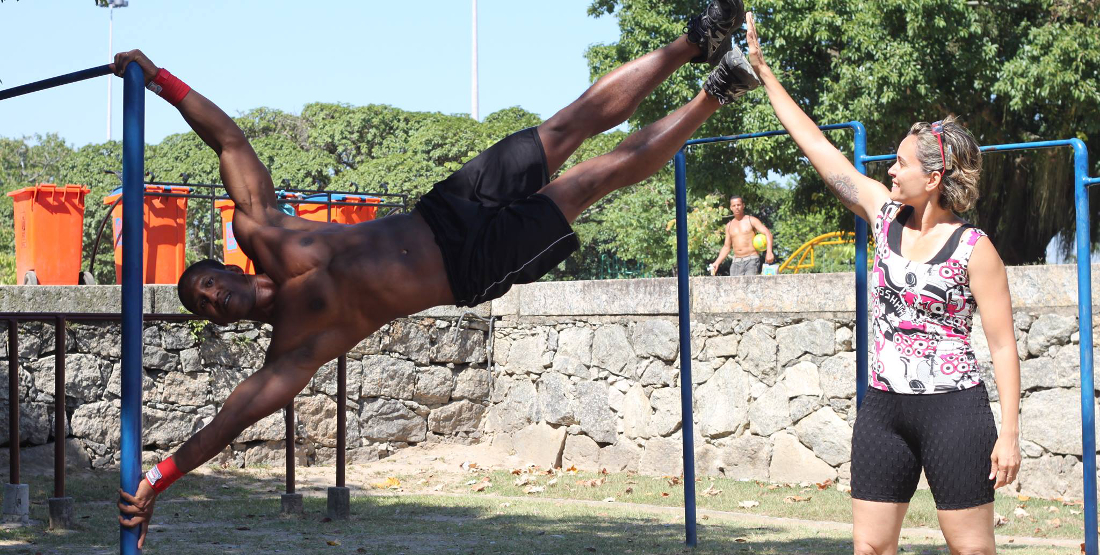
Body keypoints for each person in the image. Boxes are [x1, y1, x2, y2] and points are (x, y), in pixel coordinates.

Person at [114, 1, 760, 547]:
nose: (214, 297)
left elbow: (228, 140)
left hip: (446, 207)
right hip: (470, 265)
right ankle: (719, 88)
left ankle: (695, 41)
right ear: (220, 322)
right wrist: (156, 480)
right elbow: (229, 422)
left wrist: (159, 78)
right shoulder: (294, 347)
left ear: (226, 266)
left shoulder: (263, 228)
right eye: (206, 306)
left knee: (564, 126)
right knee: (595, 176)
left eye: (208, 284)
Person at [744, 12, 1020, 555]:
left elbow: (1004, 347)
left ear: (934, 177)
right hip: (883, 410)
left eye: (900, 164)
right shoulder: (882, 215)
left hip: (955, 411)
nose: (890, 171)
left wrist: (1008, 433)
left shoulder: (975, 249)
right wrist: (764, 72)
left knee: (972, 550)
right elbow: (820, 151)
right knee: (869, 549)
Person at [708, 195, 774, 275]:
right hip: (736, 262)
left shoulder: (751, 220)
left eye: (738, 205)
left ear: (743, 205)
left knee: (749, 285)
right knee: (734, 286)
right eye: (734, 205)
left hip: (751, 260)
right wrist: (717, 262)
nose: (736, 207)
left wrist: (769, 252)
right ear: (731, 207)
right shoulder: (729, 225)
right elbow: (726, 247)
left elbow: (768, 233)